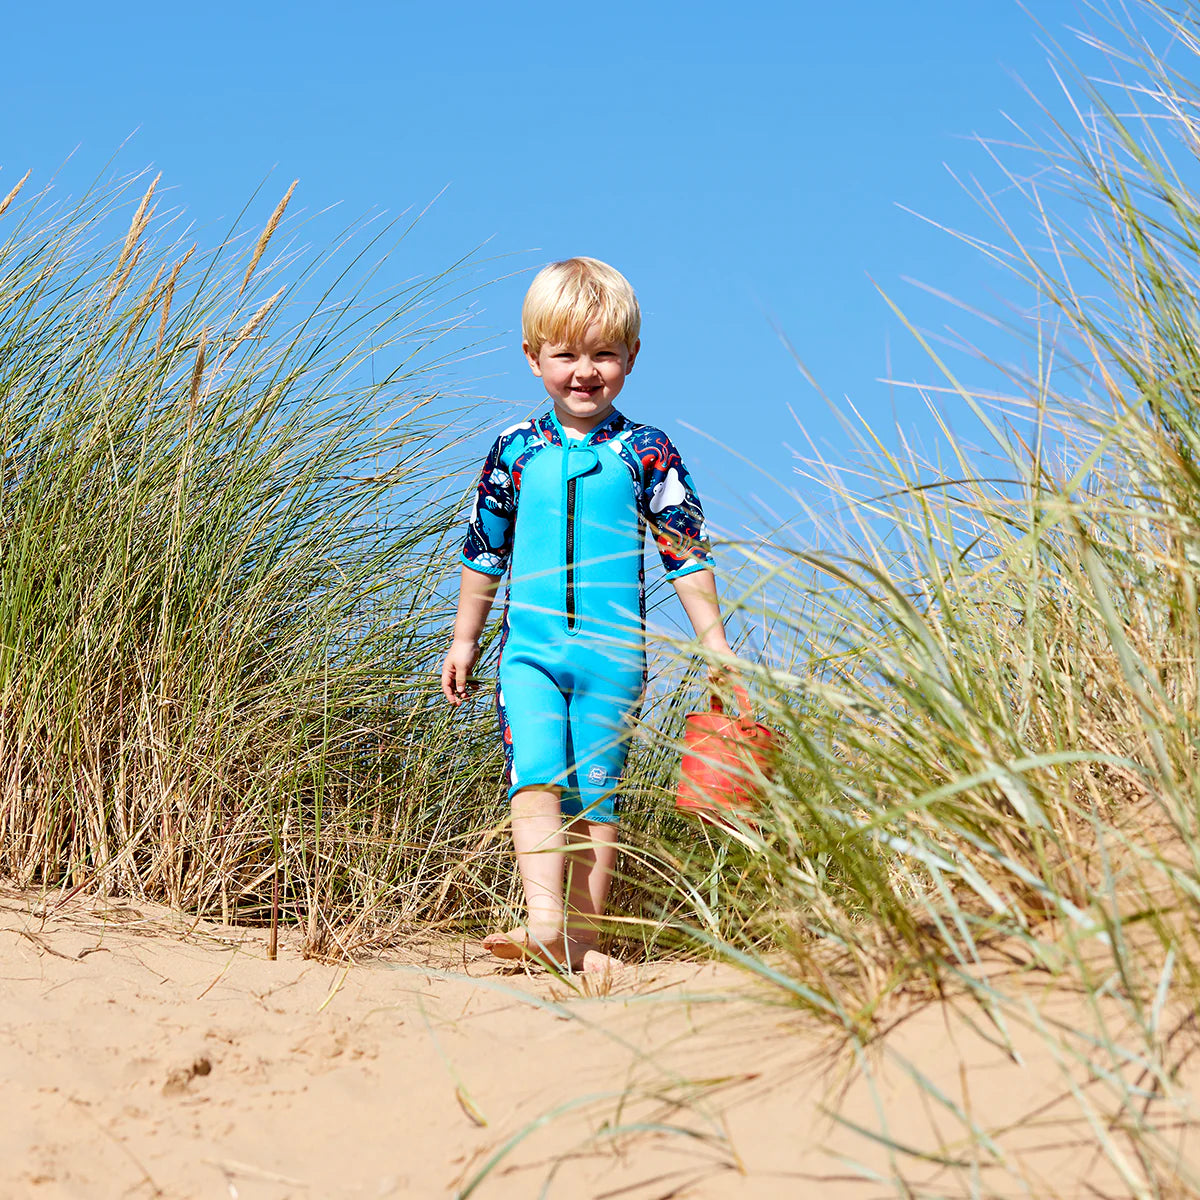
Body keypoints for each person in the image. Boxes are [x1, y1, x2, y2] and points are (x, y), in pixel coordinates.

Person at [440, 257, 730, 973]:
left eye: (604, 354)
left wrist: (715, 643)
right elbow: (485, 551)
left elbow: (684, 552)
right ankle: (545, 921)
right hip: (529, 653)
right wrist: (463, 640)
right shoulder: (515, 449)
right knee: (534, 775)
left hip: (613, 660)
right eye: (565, 354)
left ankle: (582, 945)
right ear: (533, 356)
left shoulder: (647, 452)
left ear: (631, 356)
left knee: (597, 801)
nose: (584, 371)